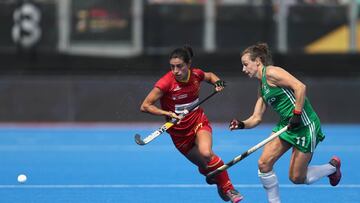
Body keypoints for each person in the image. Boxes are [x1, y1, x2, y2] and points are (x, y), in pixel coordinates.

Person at [229, 42, 342, 203]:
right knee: (264, 164)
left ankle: (332, 168)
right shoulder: (262, 86)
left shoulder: (272, 72)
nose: (243, 69)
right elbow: (256, 117)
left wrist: (296, 115)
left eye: (246, 64)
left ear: (258, 61)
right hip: (286, 126)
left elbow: (300, 87)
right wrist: (241, 124)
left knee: (297, 177)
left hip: (304, 125)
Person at [140, 45, 243, 203]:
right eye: (172, 67)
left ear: (188, 64)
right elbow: (145, 105)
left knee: (207, 153)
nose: (175, 71)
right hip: (179, 135)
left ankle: (230, 189)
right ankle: (220, 184)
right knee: (209, 169)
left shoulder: (196, 74)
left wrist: (218, 82)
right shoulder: (165, 83)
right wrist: (166, 113)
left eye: (179, 66)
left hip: (198, 122)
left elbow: (209, 76)